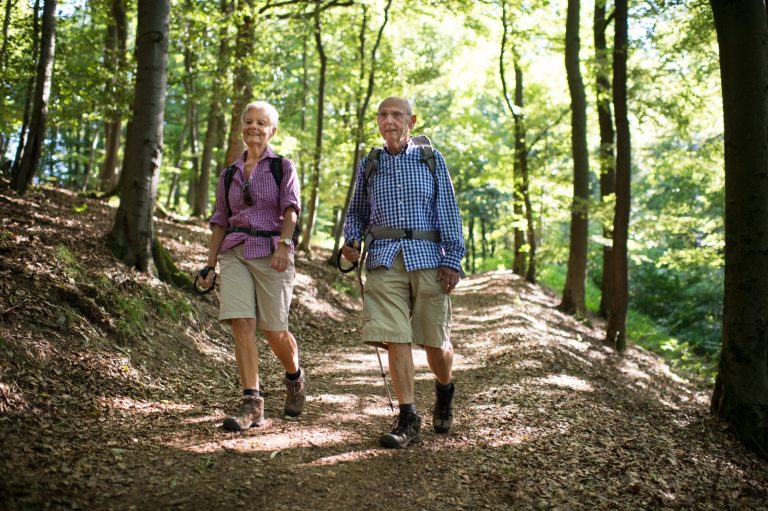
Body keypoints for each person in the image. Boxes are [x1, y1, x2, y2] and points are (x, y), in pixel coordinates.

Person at [341, 96, 465, 448]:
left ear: (412, 122)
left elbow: (448, 210)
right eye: (383, 115)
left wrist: (452, 258)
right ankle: (408, 416)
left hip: (428, 257)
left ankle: (444, 389)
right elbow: (357, 213)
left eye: (397, 115)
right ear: (378, 122)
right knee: (396, 337)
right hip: (383, 259)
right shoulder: (371, 163)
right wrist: (351, 240)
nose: (389, 120)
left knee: (434, 343)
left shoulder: (431, 159)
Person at [199, 100, 305, 431]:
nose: (254, 128)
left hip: (272, 250)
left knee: (274, 330)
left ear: (272, 130)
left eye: (261, 123)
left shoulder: (282, 166)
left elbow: (291, 209)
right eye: (248, 122)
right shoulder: (228, 173)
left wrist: (285, 246)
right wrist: (210, 264)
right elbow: (220, 219)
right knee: (242, 324)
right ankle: (252, 402)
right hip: (235, 251)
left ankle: (295, 376)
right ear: (241, 127)